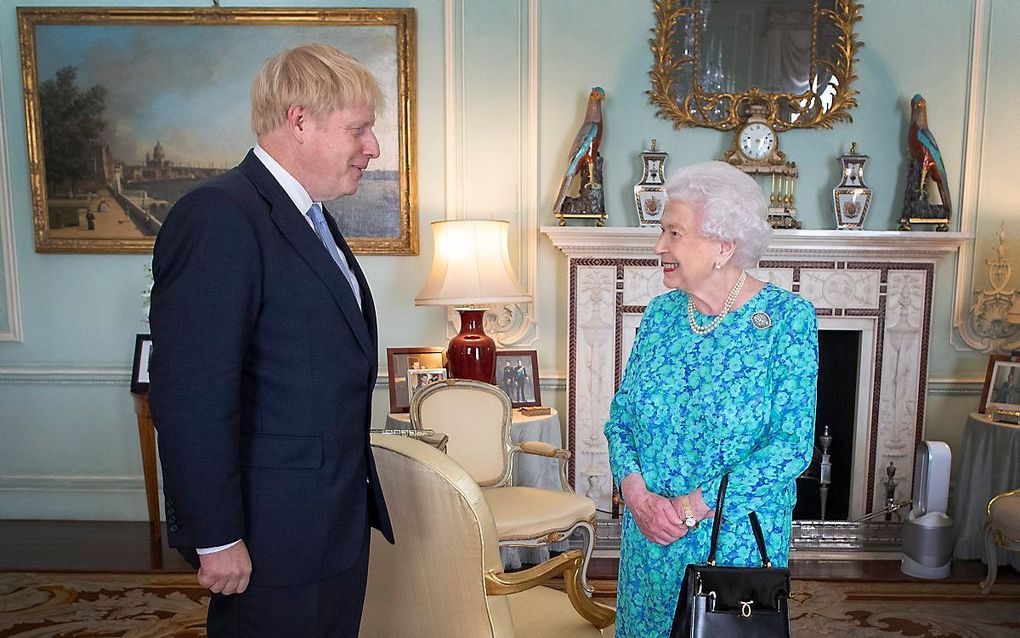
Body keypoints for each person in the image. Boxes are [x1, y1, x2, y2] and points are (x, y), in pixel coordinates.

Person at [148, 44, 393, 638]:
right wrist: (217, 535)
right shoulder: (219, 216)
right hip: (270, 534)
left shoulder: (307, 213)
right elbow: (192, 397)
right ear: (300, 120)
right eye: (359, 129)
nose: (373, 147)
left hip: (328, 523)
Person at [604, 160, 818, 637]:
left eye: (674, 233)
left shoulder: (787, 321)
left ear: (724, 245)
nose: (659, 246)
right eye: (662, 231)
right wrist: (637, 497)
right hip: (650, 536)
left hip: (733, 540)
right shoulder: (661, 315)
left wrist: (687, 509)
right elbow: (621, 419)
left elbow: (790, 447)